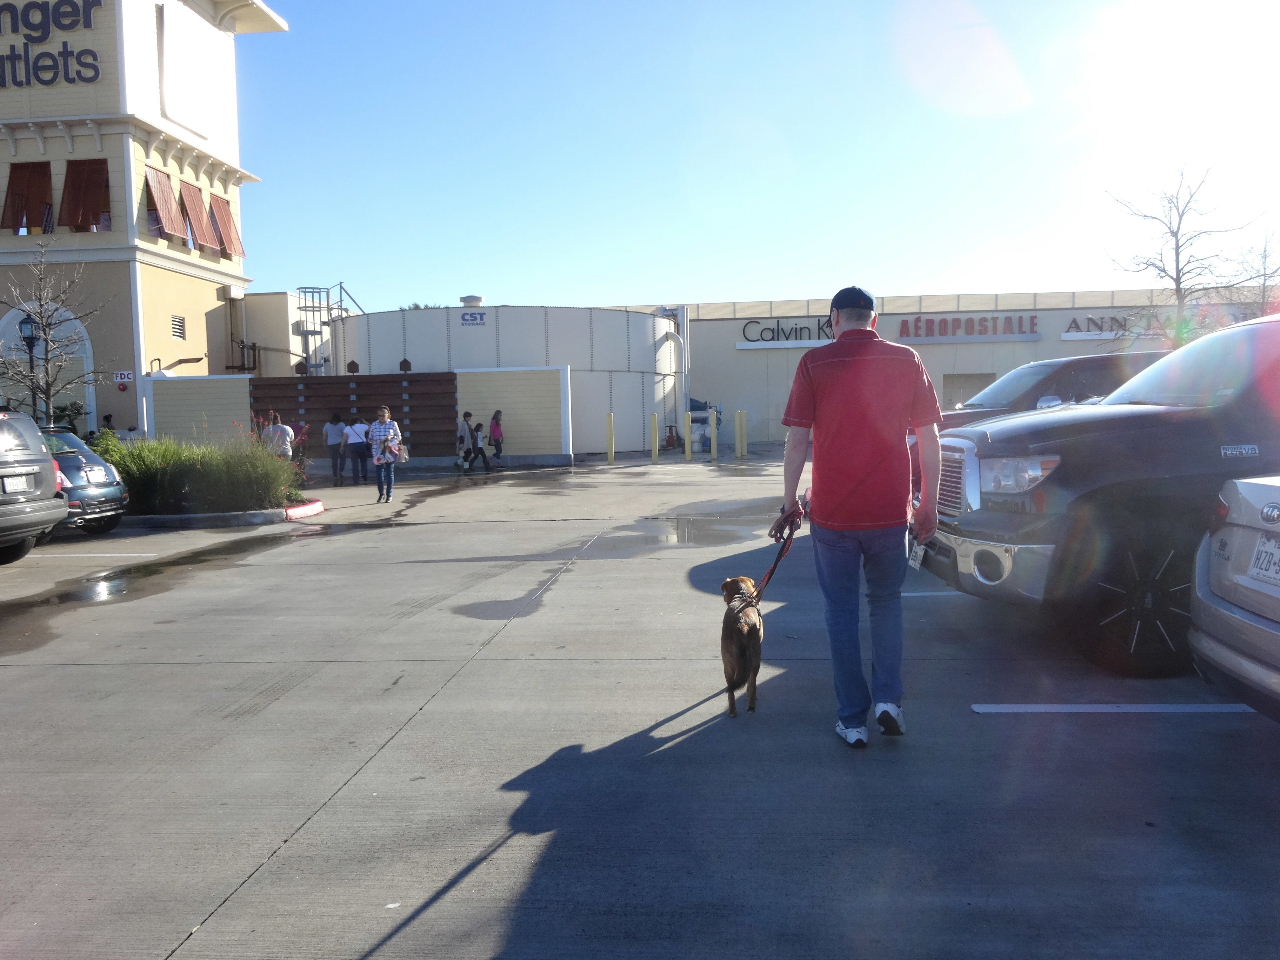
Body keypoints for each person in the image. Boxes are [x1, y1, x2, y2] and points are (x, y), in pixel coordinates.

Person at [770, 285, 942, 750]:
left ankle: (852, 719)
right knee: (886, 604)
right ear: (874, 321)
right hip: (889, 513)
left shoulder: (815, 362)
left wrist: (789, 501)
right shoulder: (906, 360)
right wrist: (928, 503)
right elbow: (929, 437)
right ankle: (889, 701)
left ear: (834, 319)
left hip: (834, 516)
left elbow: (797, 441)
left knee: (841, 613)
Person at [368, 405, 403, 503]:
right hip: (377, 452)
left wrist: (390, 437)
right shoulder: (374, 424)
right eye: (379, 415)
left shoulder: (393, 424)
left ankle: (389, 495)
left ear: (388, 415)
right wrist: (377, 441)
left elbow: (399, 437)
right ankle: (381, 493)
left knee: (389, 473)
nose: (381, 417)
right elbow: (370, 438)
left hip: (389, 452)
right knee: (379, 474)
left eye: (383, 415)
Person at [344, 416, 371, 485]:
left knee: (354, 463)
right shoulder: (362, 426)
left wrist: (342, 446)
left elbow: (345, 438)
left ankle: (355, 479)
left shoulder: (347, 428)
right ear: (359, 421)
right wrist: (364, 421)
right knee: (363, 462)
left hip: (352, 446)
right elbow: (371, 428)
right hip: (361, 445)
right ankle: (364, 477)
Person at [322, 413, 347, 486]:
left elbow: (324, 435)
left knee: (334, 460)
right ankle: (341, 471)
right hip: (340, 444)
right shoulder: (342, 424)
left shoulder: (327, 425)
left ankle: (335, 475)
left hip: (331, 444)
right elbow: (345, 435)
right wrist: (344, 444)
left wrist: (324, 444)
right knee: (342, 459)